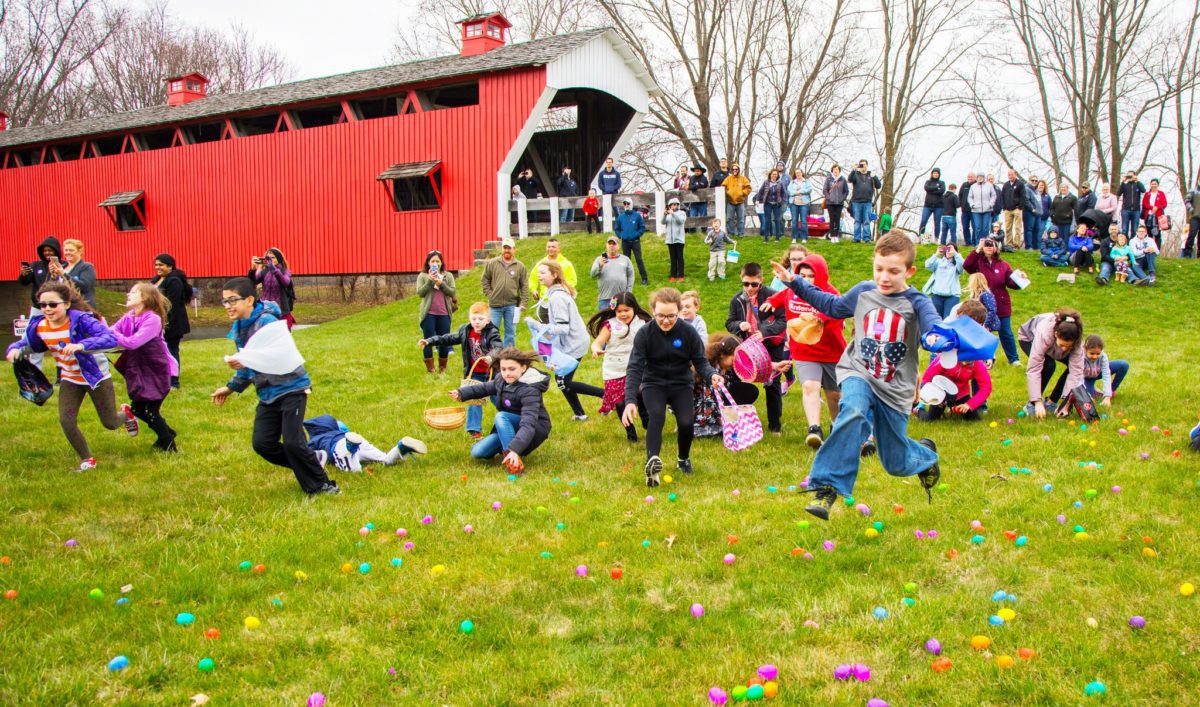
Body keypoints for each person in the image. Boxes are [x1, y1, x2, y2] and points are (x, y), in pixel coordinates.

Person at [769, 233, 942, 520]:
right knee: (853, 411)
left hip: (895, 387)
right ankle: (827, 486)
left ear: (910, 271)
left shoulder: (917, 302)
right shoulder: (864, 292)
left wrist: (940, 338)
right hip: (857, 371)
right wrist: (794, 282)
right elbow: (832, 306)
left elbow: (933, 326)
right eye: (879, 269)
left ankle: (925, 457)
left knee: (896, 463)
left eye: (893, 271)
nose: (884, 277)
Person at [211, 278, 339, 495]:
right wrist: (231, 387)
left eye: (233, 300)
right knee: (262, 444)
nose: (228, 306)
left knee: (293, 443)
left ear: (249, 299)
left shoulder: (267, 321)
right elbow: (248, 363)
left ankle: (323, 485)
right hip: (268, 393)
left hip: (291, 388)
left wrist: (248, 359)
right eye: (224, 302)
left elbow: (281, 354)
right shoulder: (241, 327)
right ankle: (311, 460)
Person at [7, 282, 135, 472]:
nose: (47, 309)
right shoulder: (40, 326)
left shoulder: (82, 320)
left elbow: (109, 338)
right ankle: (87, 460)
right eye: (43, 305)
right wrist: (14, 350)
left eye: (53, 304)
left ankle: (126, 415)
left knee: (109, 423)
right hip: (70, 379)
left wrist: (82, 345)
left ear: (66, 304)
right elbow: (26, 343)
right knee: (66, 421)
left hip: (95, 377)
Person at [622, 288, 724, 486]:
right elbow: (634, 368)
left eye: (671, 316)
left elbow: (701, 362)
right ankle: (652, 463)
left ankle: (683, 459)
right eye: (661, 316)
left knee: (686, 423)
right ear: (653, 311)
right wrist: (630, 401)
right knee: (656, 417)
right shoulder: (645, 333)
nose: (666, 320)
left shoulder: (688, 332)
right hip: (653, 383)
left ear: (678, 312)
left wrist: (712, 375)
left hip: (680, 384)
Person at [762, 255, 845, 448]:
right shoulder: (794, 290)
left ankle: (837, 427)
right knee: (809, 386)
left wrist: (818, 319)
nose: (806, 280)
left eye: (811, 276)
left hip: (831, 352)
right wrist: (773, 301)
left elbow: (834, 314)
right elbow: (784, 296)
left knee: (834, 395)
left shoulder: (831, 294)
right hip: (804, 350)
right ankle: (814, 429)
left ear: (821, 276)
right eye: (802, 275)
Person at [452, 348, 551, 471]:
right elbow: (484, 388)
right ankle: (507, 448)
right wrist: (461, 393)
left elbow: (528, 423)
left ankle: (513, 461)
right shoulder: (501, 379)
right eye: (503, 369)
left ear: (523, 368)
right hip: (507, 427)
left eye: (512, 369)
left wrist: (514, 449)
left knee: (501, 416)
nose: (507, 373)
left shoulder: (530, 390)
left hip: (534, 427)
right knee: (477, 452)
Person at [110, 282, 178, 452]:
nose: (128, 294)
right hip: (144, 369)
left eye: (133, 292)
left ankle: (169, 445)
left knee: (150, 410)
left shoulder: (152, 319)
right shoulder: (130, 316)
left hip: (161, 370)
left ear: (145, 297)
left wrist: (110, 332)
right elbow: (111, 332)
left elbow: (133, 343)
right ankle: (167, 434)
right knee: (138, 409)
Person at [419, 302, 502, 439]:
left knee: (498, 398)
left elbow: (498, 347)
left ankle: (510, 416)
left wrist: (491, 356)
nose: (477, 322)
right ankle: (474, 431)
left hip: (491, 373)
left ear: (488, 320)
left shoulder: (492, 332)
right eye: (474, 319)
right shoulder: (465, 330)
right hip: (474, 373)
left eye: (481, 319)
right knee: (473, 398)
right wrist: (430, 341)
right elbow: (448, 338)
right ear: (469, 318)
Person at [531, 261, 603, 421]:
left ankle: (605, 394)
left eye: (543, 272)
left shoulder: (557, 297)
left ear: (554, 275)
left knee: (564, 381)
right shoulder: (555, 294)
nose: (539, 275)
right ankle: (580, 414)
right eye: (538, 272)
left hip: (574, 344)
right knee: (562, 380)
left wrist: (540, 327)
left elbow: (563, 328)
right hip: (571, 343)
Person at [725, 262, 788, 434]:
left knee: (772, 382)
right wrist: (740, 325)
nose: (750, 288)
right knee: (736, 379)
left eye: (754, 284)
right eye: (746, 284)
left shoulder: (773, 296)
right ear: (741, 280)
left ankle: (775, 425)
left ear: (761, 280)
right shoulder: (737, 299)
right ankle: (736, 422)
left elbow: (783, 321)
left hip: (771, 345)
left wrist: (764, 332)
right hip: (747, 347)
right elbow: (729, 323)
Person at [915, 299, 992, 422]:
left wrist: (969, 405)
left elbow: (986, 386)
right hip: (941, 391)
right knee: (931, 420)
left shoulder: (976, 362)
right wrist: (927, 395)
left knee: (974, 419)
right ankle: (918, 409)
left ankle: (966, 407)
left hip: (961, 393)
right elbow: (927, 377)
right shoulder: (946, 353)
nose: (968, 362)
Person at [588, 292, 650, 441]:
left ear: (634, 308)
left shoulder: (644, 323)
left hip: (638, 367)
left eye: (626, 310)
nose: (623, 314)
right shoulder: (610, 325)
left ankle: (645, 415)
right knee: (621, 403)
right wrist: (596, 348)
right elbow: (597, 342)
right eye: (619, 311)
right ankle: (630, 432)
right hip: (614, 370)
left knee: (642, 392)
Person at [963, 238, 1023, 365]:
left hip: (1001, 304)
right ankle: (983, 358)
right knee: (983, 332)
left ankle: (1014, 359)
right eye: (987, 245)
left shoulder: (1003, 265)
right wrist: (978, 249)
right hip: (982, 306)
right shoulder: (978, 263)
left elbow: (1011, 283)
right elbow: (967, 266)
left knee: (1006, 332)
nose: (989, 247)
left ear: (996, 248)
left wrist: (1020, 279)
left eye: (992, 245)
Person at [1018, 308, 1084, 418]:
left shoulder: (1077, 342)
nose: (1064, 349)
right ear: (1056, 334)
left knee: (1073, 368)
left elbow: (1076, 372)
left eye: (1069, 346)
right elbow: (1034, 369)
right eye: (1062, 345)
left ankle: (1051, 402)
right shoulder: (1045, 333)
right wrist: (1037, 401)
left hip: (1053, 344)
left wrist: (1066, 403)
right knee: (1048, 365)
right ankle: (1031, 404)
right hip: (1029, 338)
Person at [304, 415, 426, 471]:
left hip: (341, 447)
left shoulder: (315, 440)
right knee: (385, 459)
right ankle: (400, 447)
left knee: (354, 472)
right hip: (360, 441)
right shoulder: (338, 431)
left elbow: (309, 455)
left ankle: (350, 448)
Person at [1048, 334, 1127, 406]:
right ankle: (1093, 391)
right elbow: (1079, 378)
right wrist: (1087, 395)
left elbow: (1106, 374)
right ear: (1085, 349)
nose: (1095, 356)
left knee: (1123, 365)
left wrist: (1107, 396)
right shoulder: (1079, 356)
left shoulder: (1103, 356)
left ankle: (1110, 391)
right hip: (1086, 378)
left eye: (1098, 354)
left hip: (1098, 372)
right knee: (1088, 400)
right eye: (1092, 353)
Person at [151, 254, 190, 389]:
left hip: (172, 323)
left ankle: (174, 381)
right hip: (158, 321)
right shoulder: (157, 279)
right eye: (156, 265)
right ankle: (163, 378)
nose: (158, 267)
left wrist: (164, 323)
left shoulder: (174, 281)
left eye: (161, 265)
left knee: (171, 351)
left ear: (170, 266)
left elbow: (171, 305)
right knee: (161, 351)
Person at [480, 238, 528, 347]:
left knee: (510, 333)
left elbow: (524, 285)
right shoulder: (492, 263)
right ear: (502, 249)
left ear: (514, 250)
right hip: (494, 305)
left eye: (509, 248)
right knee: (491, 332)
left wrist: (524, 302)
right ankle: (491, 354)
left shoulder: (520, 266)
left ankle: (508, 356)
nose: (507, 250)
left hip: (512, 305)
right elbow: (485, 280)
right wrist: (490, 295)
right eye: (505, 248)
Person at [416, 250, 458, 373]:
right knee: (428, 340)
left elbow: (452, 292)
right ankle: (431, 369)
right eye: (433, 261)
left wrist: (441, 283)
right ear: (428, 263)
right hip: (428, 313)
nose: (435, 263)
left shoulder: (448, 276)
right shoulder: (423, 276)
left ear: (441, 263)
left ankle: (442, 368)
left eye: (437, 261)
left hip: (444, 313)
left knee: (444, 340)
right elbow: (420, 293)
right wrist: (430, 280)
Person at [249, 248, 295, 328]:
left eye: (273, 258)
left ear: (279, 259)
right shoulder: (265, 272)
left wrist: (273, 269)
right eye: (268, 258)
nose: (270, 260)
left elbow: (285, 282)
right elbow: (253, 282)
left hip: (281, 310)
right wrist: (253, 268)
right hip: (265, 310)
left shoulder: (285, 271)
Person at [590, 236, 635, 311]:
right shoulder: (599, 259)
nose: (612, 246)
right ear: (606, 245)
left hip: (620, 298)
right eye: (609, 243)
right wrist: (600, 266)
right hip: (605, 298)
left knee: (620, 320)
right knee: (605, 321)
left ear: (618, 246)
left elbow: (631, 276)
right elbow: (592, 275)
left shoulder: (625, 259)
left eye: (614, 244)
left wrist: (628, 292)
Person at [528, 238, 577, 303]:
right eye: (548, 247)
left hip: (560, 300)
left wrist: (563, 290)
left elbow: (572, 280)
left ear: (558, 249)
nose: (550, 249)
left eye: (553, 247)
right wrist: (534, 290)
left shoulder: (566, 264)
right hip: (544, 302)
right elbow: (533, 278)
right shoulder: (541, 264)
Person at [614, 198, 649, 285]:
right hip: (625, 242)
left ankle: (644, 278)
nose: (626, 205)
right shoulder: (621, 217)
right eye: (625, 204)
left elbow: (642, 227)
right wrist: (621, 236)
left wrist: (637, 234)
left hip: (635, 242)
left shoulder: (637, 215)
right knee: (626, 261)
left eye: (628, 203)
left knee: (639, 259)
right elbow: (617, 229)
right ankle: (626, 279)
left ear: (631, 204)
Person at [924, 244, 964, 319]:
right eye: (947, 249)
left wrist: (955, 254)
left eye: (951, 249)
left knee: (948, 320)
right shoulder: (938, 262)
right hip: (937, 296)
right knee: (935, 319)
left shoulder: (956, 264)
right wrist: (936, 254)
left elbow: (962, 266)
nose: (949, 251)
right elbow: (927, 265)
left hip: (952, 297)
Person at [55, 239, 97, 307]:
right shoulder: (62, 267)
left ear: (79, 252)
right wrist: (53, 276)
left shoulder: (87, 267)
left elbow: (85, 286)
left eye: (71, 250)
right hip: (64, 306)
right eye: (66, 250)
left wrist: (64, 275)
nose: (68, 252)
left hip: (82, 307)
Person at [848, 159, 881, 243]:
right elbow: (850, 179)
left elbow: (878, 186)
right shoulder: (856, 174)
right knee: (857, 220)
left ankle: (866, 238)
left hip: (867, 202)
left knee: (866, 221)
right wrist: (853, 169)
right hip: (856, 201)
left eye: (864, 165)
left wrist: (875, 177)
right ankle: (856, 238)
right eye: (861, 165)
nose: (863, 166)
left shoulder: (871, 175)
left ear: (867, 165)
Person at [755, 169, 787, 243]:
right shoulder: (766, 182)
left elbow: (784, 193)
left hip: (777, 204)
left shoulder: (780, 183)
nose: (774, 175)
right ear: (770, 175)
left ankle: (777, 237)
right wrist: (757, 200)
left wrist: (782, 201)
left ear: (777, 175)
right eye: (773, 174)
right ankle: (766, 238)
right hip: (767, 203)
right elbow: (760, 192)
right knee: (767, 220)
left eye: (775, 174)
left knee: (777, 220)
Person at [722, 163, 753, 238]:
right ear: (731, 170)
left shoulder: (743, 178)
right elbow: (723, 187)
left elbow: (748, 188)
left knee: (741, 219)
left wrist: (742, 193)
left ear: (738, 170)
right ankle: (731, 233)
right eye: (733, 169)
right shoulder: (728, 178)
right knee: (729, 218)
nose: (734, 170)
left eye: (736, 169)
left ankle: (741, 233)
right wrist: (727, 193)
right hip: (730, 202)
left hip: (740, 202)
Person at [999, 169, 1026, 250]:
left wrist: (1020, 207)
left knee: (1018, 227)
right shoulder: (1006, 185)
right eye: (1009, 175)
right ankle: (1009, 244)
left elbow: (1023, 196)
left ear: (1015, 174)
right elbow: (1002, 196)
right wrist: (1004, 207)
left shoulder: (1020, 184)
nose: (1010, 176)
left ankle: (1016, 245)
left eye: (1012, 174)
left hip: (1017, 209)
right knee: (1008, 227)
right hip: (1007, 209)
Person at [663, 197, 688, 282]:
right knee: (673, 258)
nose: (674, 206)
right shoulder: (668, 214)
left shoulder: (682, 213)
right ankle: (673, 275)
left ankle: (681, 275)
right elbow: (662, 222)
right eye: (672, 205)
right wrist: (664, 214)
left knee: (680, 258)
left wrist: (673, 213)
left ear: (678, 205)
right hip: (670, 240)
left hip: (679, 240)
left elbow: (681, 221)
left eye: (675, 204)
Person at [823, 164, 849, 240]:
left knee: (837, 219)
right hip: (830, 203)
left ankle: (836, 236)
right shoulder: (828, 179)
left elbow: (846, 191)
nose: (835, 170)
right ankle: (832, 236)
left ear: (839, 170)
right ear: (832, 170)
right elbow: (825, 190)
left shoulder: (843, 179)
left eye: (837, 169)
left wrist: (842, 199)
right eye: (834, 169)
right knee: (832, 219)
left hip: (839, 203)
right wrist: (829, 198)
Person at [919, 168, 946, 240]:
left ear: (939, 174)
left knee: (937, 223)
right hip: (927, 206)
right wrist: (936, 188)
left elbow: (942, 191)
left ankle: (936, 239)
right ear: (932, 174)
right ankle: (921, 238)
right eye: (934, 173)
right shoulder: (928, 182)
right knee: (923, 221)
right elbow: (926, 188)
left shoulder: (942, 183)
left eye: (937, 173)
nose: (935, 174)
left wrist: (931, 191)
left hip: (938, 206)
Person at [967, 173, 996, 241]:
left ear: (984, 177)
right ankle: (978, 244)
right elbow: (970, 197)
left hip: (987, 210)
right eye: (978, 177)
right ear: (977, 178)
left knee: (986, 228)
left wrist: (991, 204)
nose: (980, 178)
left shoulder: (989, 185)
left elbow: (993, 195)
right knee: (978, 227)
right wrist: (972, 204)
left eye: (981, 177)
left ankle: (985, 243)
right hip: (976, 210)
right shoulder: (973, 186)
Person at [1118, 171, 1146, 238]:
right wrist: (1122, 182)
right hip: (1126, 210)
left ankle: (1133, 244)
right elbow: (1118, 193)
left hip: (1136, 210)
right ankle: (1125, 243)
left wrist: (1137, 181)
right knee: (1124, 229)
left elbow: (1143, 190)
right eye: (1129, 176)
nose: (1130, 177)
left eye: (1131, 176)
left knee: (1135, 229)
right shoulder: (1125, 185)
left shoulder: (1137, 185)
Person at [787, 169, 812, 242]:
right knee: (794, 221)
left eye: (799, 172)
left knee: (803, 221)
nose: (798, 174)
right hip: (794, 203)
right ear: (795, 174)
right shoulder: (792, 182)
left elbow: (809, 189)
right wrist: (796, 193)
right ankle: (794, 237)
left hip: (804, 203)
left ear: (802, 173)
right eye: (796, 173)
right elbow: (789, 191)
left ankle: (804, 238)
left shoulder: (806, 182)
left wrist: (800, 191)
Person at [1142, 178, 1168, 247]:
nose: (1154, 185)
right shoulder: (1147, 194)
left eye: (1155, 184)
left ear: (1158, 185)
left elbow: (1164, 204)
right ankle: (1149, 249)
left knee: (1157, 234)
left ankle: (1157, 250)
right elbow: (1144, 203)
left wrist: (1157, 207)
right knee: (1149, 233)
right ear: (1150, 185)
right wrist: (1151, 207)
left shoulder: (1161, 194)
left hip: (1158, 216)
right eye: (1152, 184)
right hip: (1149, 216)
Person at [1021, 177, 1042, 250]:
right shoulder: (1026, 189)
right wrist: (1032, 209)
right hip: (1029, 213)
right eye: (1032, 180)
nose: (1034, 182)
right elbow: (1026, 200)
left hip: (1038, 213)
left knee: (1037, 230)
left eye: (1036, 180)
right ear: (1029, 180)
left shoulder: (1037, 191)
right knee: (1029, 229)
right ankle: (1029, 246)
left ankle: (1036, 246)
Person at [1184, 177, 1200, 258]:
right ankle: (1187, 253)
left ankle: (1199, 254)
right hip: (1195, 216)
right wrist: (1190, 209)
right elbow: (1187, 200)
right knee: (1192, 234)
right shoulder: (1193, 190)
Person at [960, 171, 977, 245]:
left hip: (974, 211)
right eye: (968, 177)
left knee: (975, 227)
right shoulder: (964, 185)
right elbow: (960, 195)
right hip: (965, 210)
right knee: (965, 227)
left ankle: (974, 242)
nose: (969, 178)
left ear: (975, 178)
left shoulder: (977, 185)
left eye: (971, 177)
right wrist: (962, 204)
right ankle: (968, 242)